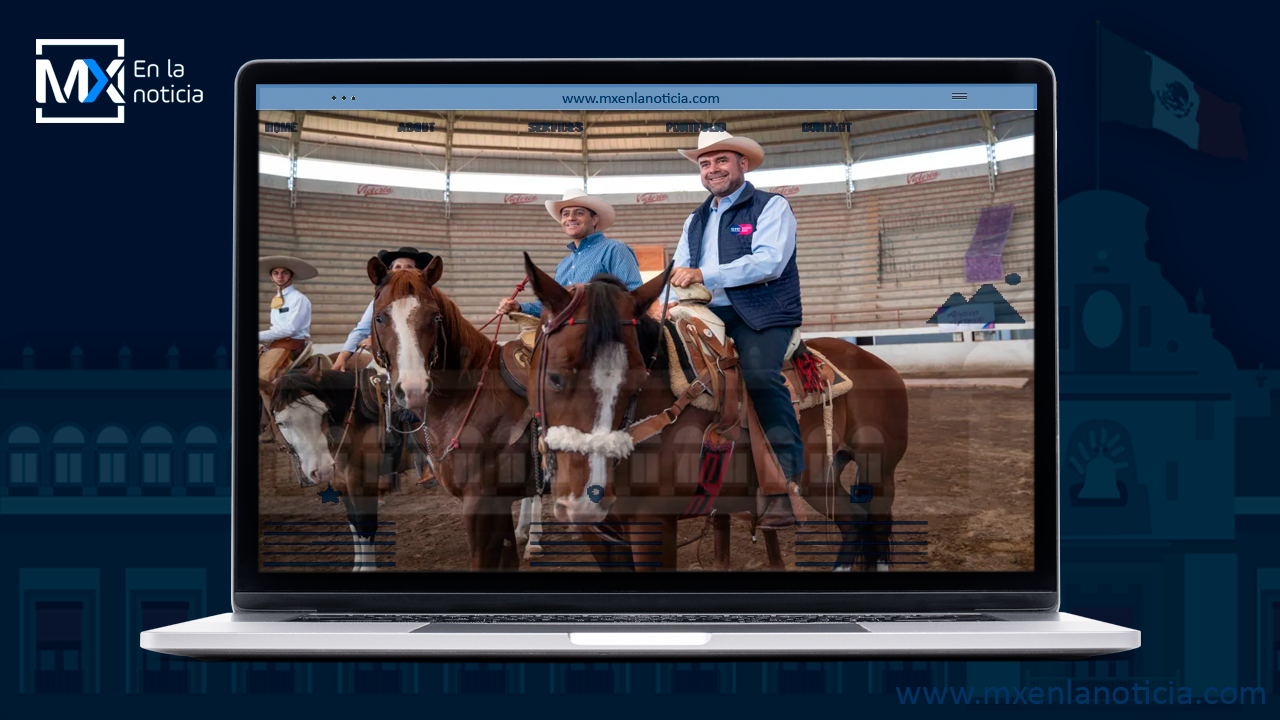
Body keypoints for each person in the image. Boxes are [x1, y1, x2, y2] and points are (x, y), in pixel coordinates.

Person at [667, 130, 804, 529]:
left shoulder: (771, 206)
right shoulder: (694, 219)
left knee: (760, 376)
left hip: (761, 311)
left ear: (743, 164)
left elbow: (770, 263)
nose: (713, 169)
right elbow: (678, 271)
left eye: (721, 161)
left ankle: (787, 477)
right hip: (704, 312)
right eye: (705, 164)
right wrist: (663, 307)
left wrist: (704, 273)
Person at [496, 188, 642, 317]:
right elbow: (554, 304)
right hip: (567, 335)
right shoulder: (563, 265)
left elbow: (634, 294)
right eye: (566, 214)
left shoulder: (615, 250)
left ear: (594, 219)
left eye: (579, 213)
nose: (571, 218)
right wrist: (519, 307)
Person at [332, 247, 435, 372]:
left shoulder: (428, 299)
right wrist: (343, 356)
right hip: (392, 356)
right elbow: (362, 330)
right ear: (390, 271)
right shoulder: (380, 301)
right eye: (398, 267)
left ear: (418, 272)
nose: (403, 270)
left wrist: (376, 340)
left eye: (409, 267)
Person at [258, 255, 318, 441]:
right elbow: (276, 328)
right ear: (271, 277)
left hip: (292, 342)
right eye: (276, 273)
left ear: (291, 276)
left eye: (284, 273)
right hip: (277, 342)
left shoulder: (298, 299)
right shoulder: (277, 299)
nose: (280, 276)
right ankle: (266, 422)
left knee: (264, 377)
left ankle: (279, 429)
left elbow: (290, 329)